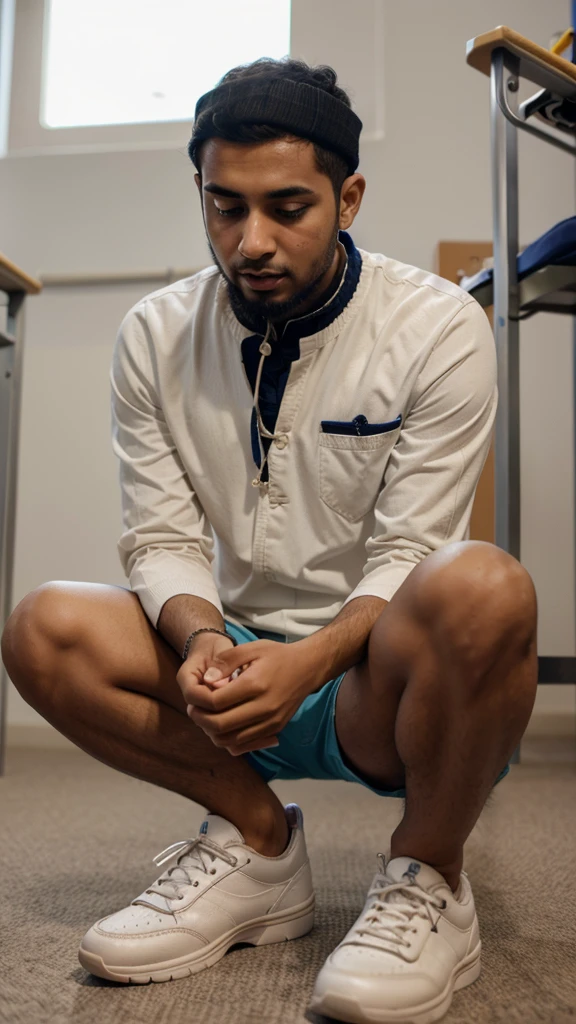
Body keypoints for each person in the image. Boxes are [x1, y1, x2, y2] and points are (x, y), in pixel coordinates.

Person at [1, 57, 538, 1024]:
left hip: (378, 683)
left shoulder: (440, 327)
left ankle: (429, 874)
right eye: (224, 207)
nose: (251, 240)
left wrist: (314, 659)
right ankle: (257, 848)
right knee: (43, 626)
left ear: (349, 196)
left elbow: (411, 549)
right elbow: (160, 537)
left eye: (288, 206)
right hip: (231, 675)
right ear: (201, 197)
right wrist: (209, 643)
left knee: (489, 587)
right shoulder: (153, 336)